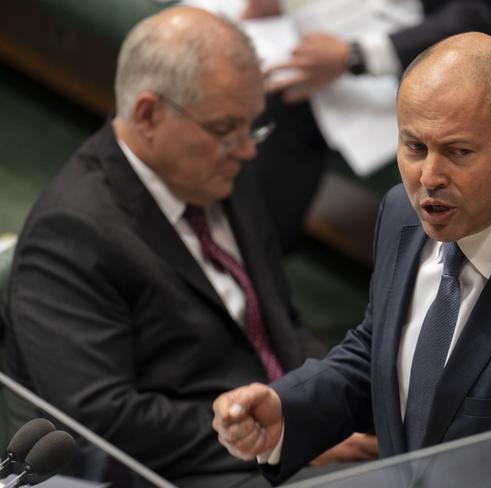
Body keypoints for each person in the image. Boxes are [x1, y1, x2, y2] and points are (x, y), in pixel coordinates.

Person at [213, 32, 491, 486]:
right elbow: (380, 350)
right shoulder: (402, 214)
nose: (430, 178)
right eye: (414, 147)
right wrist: (290, 409)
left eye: (458, 152)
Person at [4, 7, 376, 487]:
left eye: (252, 126)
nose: (247, 150)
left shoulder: (221, 174)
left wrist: (319, 404)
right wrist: (280, 437)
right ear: (148, 114)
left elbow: (279, 322)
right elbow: (103, 420)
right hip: (183, 467)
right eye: (226, 130)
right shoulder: (72, 232)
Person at [242, 0, 491, 251]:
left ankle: (254, 275)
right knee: (282, 92)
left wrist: (356, 55)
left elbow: (479, 16)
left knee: (290, 97)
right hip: (399, 38)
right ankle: (248, 272)